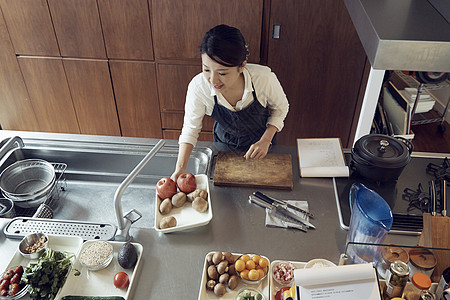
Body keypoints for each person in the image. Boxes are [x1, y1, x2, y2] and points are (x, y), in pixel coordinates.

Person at [172, 24, 289, 181]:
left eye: (222, 73)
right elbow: (190, 129)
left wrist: (265, 140)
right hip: (224, 146)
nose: (213, 80)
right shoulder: (198, 87)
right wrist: (180, 169)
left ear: (242, 66)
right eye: (206, 70)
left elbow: (281, 108)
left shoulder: (263, 78)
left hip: (262, 145)